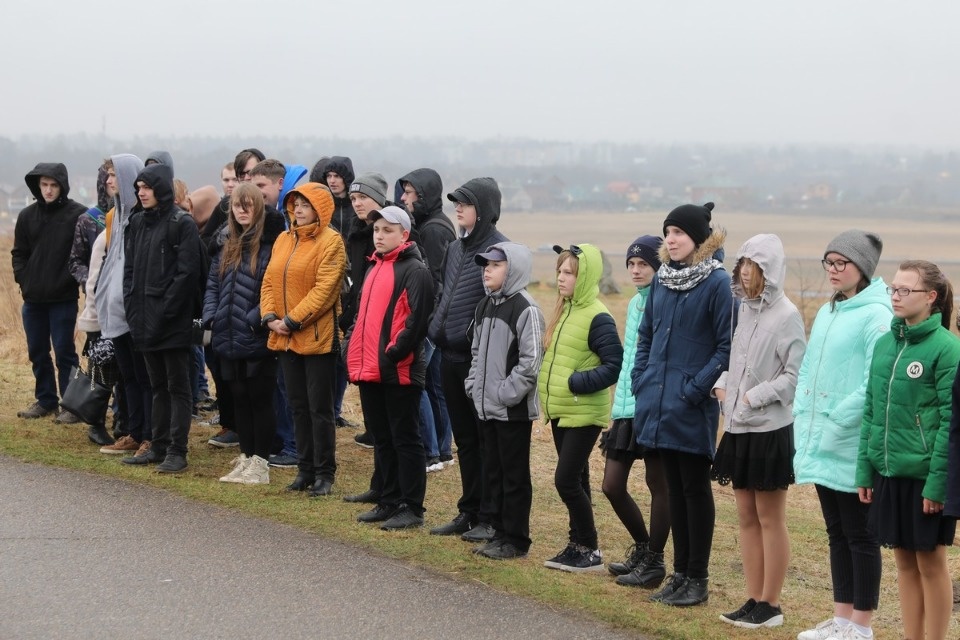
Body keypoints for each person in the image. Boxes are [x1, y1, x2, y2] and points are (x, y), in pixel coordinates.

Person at [793, 230, 891, 640]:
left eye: (841, 263)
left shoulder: (877, 315)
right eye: (828, 263)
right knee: (836, 532)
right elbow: (808, 367)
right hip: (819, 439)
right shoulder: (831, 310)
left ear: (862, 268)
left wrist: (835, 420)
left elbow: (873, 382)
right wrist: (802, 410)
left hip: (850, 442)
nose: (832, 271)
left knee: (860, 535)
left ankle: (861, 626)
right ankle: (840, 618)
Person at [633, 202, 732, 607]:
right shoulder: (662, 281)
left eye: (679, 233)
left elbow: (726, 347)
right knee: (673, 490)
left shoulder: (717, 283)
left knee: (694, 490)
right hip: (657, 401)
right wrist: (642, 379)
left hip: (690, 406)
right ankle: (678, 575)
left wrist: (694, 390)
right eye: (667, 232)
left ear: (699, 239)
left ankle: (698, 578)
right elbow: (646, 336)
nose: (671, 240)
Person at [855, 260, 960, 640]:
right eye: (893, 289)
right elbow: (871, 411)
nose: (895, 296)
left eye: (905, 290)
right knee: (903, 561)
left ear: (931, 298)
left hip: (925, 477)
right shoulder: (887, 343)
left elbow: (952, 424)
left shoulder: (947, 350)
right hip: (888, 472)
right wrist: (865, 470)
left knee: (931, 563)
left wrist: (938, 485)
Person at [710, 234, 806, 628]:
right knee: (745, 516)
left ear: (770, 270)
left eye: (755, 265)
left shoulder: (788, 315)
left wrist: (752, 397)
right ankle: (752, 599)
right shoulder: (743, 311)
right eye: (743, 264)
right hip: (736, 425)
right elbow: (740, 360)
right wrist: (724, 382)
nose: (746, 272)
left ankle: (771, 604)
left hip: (769, 428)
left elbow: (793, 377)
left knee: (770, 517)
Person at [428, 178, 509, 541]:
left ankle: (490, 516)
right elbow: (445, 292)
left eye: (465, 203)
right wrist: (435, 326)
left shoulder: (500, 250)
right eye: (456, 203)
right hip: (448, 355)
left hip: (478, 361)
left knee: (485, 441)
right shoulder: (455, 248)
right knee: (464, 439)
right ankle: (469, 510)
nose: (457, 208)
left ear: (486, 209)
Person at [346, 206, 433, 530]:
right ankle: (388, 499)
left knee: (405, 439)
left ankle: (412, 507)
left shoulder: (415, 271)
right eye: (377, 230)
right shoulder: (374, 267)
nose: (380, 236)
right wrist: (352, 353)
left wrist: (393, 354)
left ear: (404, 235)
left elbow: (416, 323)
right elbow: (363, 319)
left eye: (387, 230)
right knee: (382, 437)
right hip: (370, 369)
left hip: (398, 372)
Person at [538, 243, 623, 572]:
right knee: (578, 479)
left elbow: (613, 364)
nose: (561, 277)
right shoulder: (566, 309)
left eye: (569, 272)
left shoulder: (597, 315)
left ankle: (589, 548)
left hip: (584, 411)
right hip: (562, 409)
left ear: (585, 276)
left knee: (565, 480)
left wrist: (576, 383)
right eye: (559, 270)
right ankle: (579, 545)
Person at [260, 182, 346, 497]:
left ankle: (325, 473)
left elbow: (325, 290)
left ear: (320, 209)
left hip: (316, 337)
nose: (298, 209)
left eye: (305, 205)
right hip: (283, 335)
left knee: (319, 408)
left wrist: (293, 320)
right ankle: (304, 469)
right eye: (295, 204)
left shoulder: (332, 242)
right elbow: (269, 280)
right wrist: (270, 318)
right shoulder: (283, 239)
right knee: (296, 404)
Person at [120, 163, 204, 473]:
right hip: (142, 319)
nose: (141, 192)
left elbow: (187, 274)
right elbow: (130, 271)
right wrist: (131, 305)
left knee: (177, 387)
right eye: (138, 187)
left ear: (162, 189)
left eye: (147, 187)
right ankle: (156, 445)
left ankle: (177, 451)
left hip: (171, 322)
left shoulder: (181, 223)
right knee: (156, 385)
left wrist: (166, 311)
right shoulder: (138, 223)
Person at [465, 242, 545, 559]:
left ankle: (516, 539)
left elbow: (531, 362)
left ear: (512, 269)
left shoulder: (526, 309)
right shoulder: (485, 306)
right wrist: (474, 386)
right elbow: (475, 352)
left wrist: (505, 394)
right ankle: (497, 532)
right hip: (486, 409)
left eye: (495, 265)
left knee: (514, 477)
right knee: (493, 473)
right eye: (486, 265)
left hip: (512, 412)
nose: (487, 270)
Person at [204, 183, 285, 485]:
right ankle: (247, 457)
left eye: (248, 205)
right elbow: (213, 284)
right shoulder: (227, 243)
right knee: (238, 398)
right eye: (237, 205)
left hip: (256, 334)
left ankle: (261, 464)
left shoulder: (271, 245)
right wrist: (212, 315)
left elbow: (273, 289)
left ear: (259, 208)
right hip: (227, 333)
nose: (241, 210)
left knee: (259, 398)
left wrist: (254, 320)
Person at [602, 236, 670, 589]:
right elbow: (631, 357)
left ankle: (655, 562)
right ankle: (643, 548)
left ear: (659, 266)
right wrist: (619, 407)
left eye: (643, 264)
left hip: (652, 405)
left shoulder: (664, 301)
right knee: (612, 485)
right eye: (631, 264)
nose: (635, 270)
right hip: (627, 407)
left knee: (658, 483)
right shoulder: (633, 304)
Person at [12, 163, 86, 422]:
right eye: (44, 184)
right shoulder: (26, 216)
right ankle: (46, 400)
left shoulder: (79, 215)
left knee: (65, 351)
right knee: (37, 351)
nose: (48, 190)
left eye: (54, 185)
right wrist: (24, 279)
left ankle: (71, 405)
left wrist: (72, 281)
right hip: (33, 300)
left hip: (63, 299)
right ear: (37, 186)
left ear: (62, 186)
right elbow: (19, 254)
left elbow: (85, 254)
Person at [95, 154, 153, 457]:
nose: (108, 181)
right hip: (115, 312)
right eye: (107, 174)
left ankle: (149, 436)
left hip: (135, 313)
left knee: (144, 378)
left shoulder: (141, 218)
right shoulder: (116, 216)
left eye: (114, 174)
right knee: (128, 377)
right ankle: (133, 431)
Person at [399, 169, 457, 470]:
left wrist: (426, 323)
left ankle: (431, 451)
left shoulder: (434, 230)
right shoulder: (433, 223)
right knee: (436, 386)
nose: (403, 198)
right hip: (439, 320)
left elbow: (436, 280)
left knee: (418, 384)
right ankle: (443, 450)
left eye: (409, 193)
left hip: (432, 320)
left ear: (424, 196)